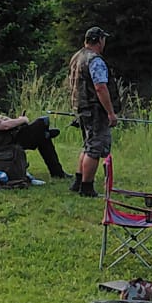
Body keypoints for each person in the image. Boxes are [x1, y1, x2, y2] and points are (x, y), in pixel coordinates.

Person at [0, 85, 68, 179]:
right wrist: (22, 120)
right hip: (7, 139)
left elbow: (1, 122)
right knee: (42, 121)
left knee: (43, 137)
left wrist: (14, 121)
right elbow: (4, 126)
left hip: (5, 137)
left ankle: (46, 137)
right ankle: (46, 136)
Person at [66, 25, 117, 196]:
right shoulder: (95, 60)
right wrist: (110, 112)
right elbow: (100, 87)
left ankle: (78, 181)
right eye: (103, 39)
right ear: (99, 41)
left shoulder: (77, 57)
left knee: (87, 145)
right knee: (94, 149)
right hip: (94, 109)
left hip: (80, 107)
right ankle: (87, 188)